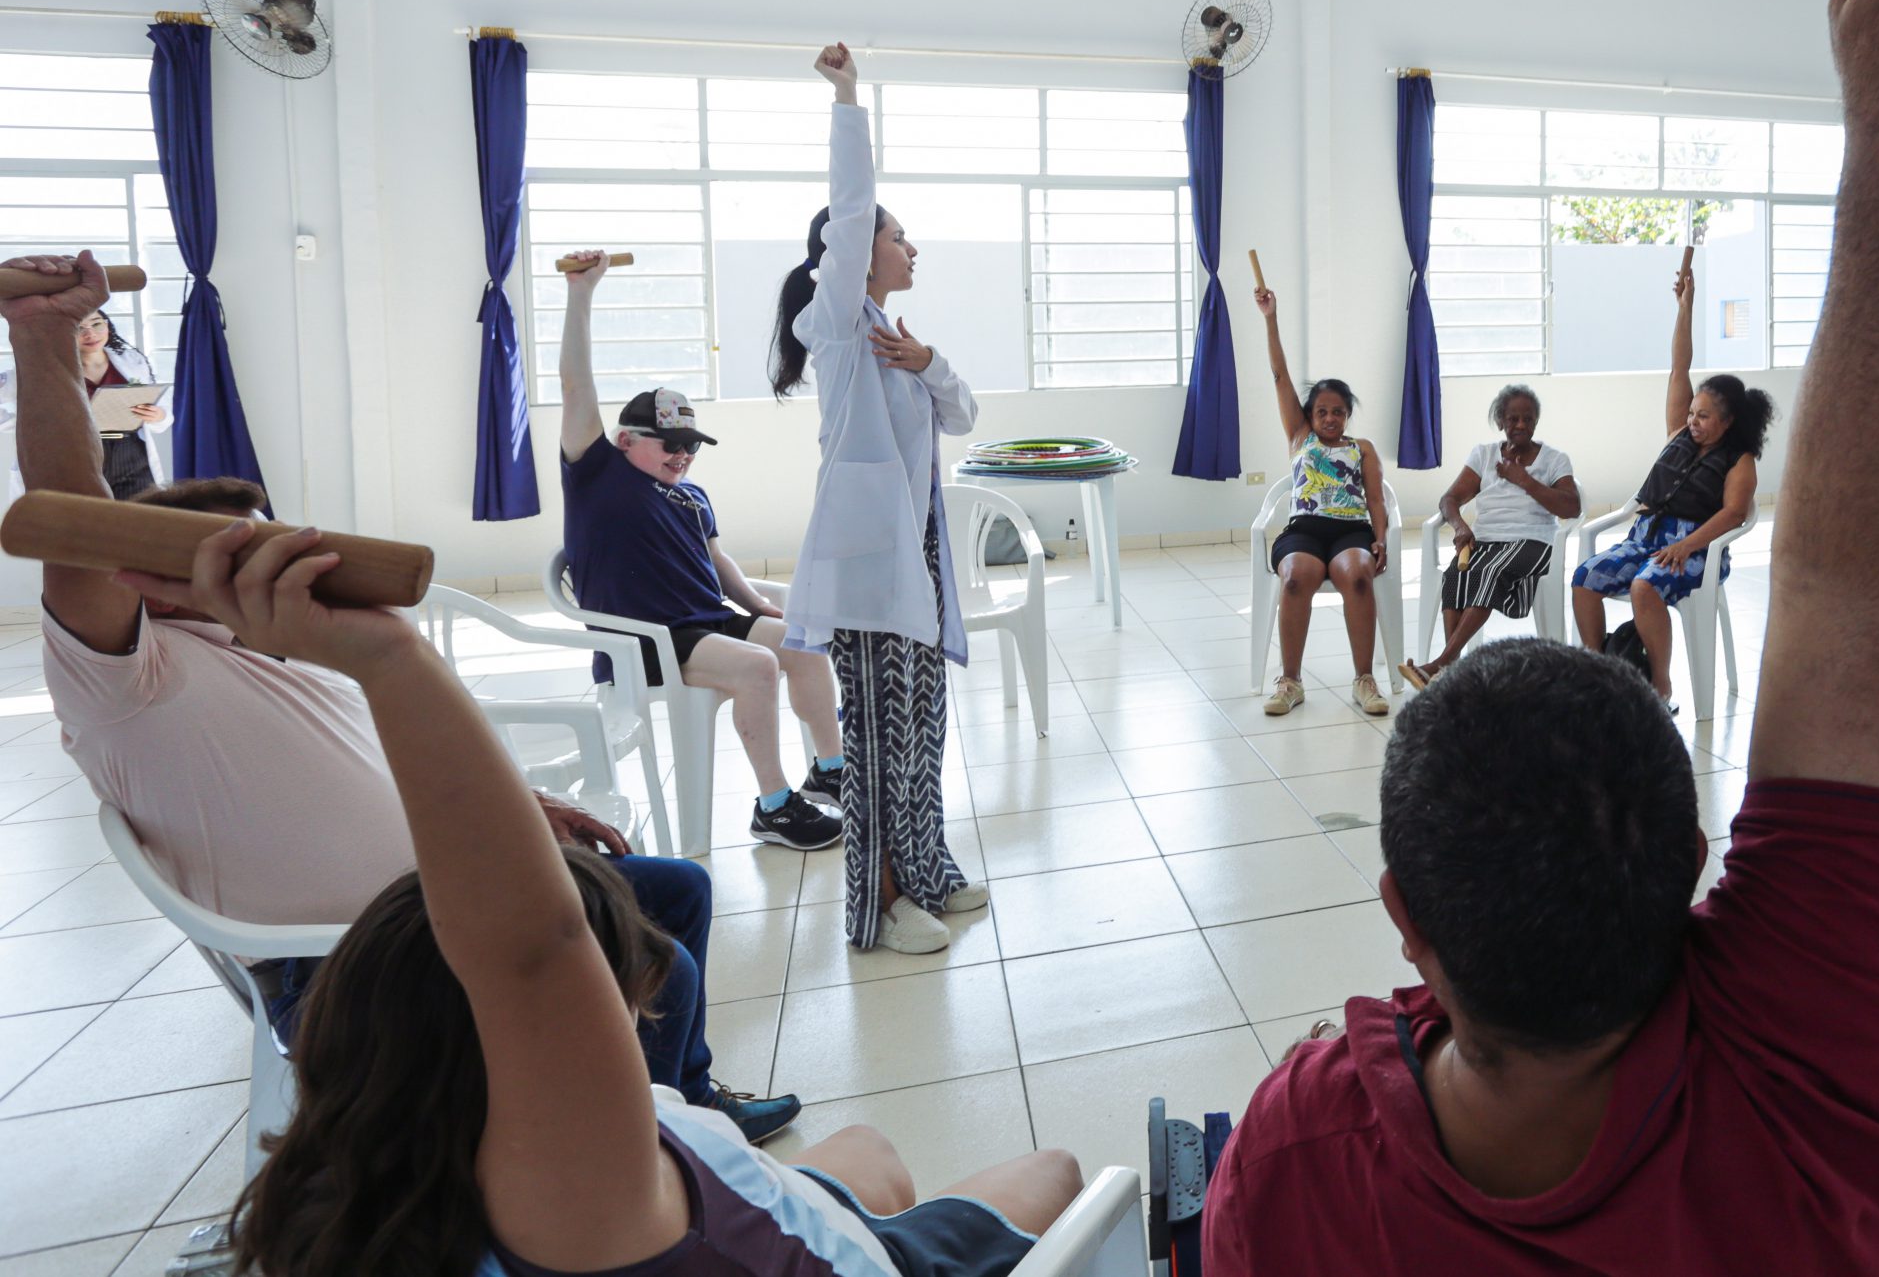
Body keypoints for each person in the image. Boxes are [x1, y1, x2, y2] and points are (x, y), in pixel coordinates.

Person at [1203, 0, 1879, 1272]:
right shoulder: (1816, 1078)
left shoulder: (1300, 1156)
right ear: (1695, 860)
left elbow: (1796, 562)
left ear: (1404, 922)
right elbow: (1852, 582)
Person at [1, 252, 800, 1145]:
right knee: (657, 960)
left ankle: (681, 1110)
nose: (272, 568)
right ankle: (618, 1155)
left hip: (430, 897)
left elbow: (381, 780)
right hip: (348, 962)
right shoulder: (130, 679)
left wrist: (520, 809)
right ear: (151, 575)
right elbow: (71, 520)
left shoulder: (281, 662)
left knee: (676, 891)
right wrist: (43, 336)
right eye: (238, 555)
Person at [137, 526, 1083, 1277]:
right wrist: (389, 658)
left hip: (747, 1206)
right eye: (614, 978)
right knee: (1058, 1172)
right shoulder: (587, 1198)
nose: (637, 994)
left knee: (866, 1150)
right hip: (839, 1260)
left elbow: (527, 960)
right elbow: (531, 948)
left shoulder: (405, 1186)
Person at [777, 44, 986, 954]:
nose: (912, 248)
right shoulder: (833, 326)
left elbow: (963, 413)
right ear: (860, 252)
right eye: (900, 237)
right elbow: (853, 205)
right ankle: (883, 901)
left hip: (920, 560)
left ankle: (928, 868)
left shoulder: (894, 341)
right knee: (874, 738)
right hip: (869, 568)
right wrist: (849, 101)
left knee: (922, 725)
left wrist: (928, 361)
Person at [557, 252, 847, 854]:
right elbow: (575, 385)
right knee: (758, 666)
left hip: (705, 623)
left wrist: (760, 608)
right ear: (625, 439)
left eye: (691, 446)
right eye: (670, 444)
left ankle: (830, 769)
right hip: (645, 639)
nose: (682, 456)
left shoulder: (690, 495)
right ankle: (774, 806)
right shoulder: (597, 475)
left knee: (803, 642)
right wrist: (581, 293)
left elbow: (719, 564)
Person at [1571, 263, 1773, 704]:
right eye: (1692, 413)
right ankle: (1599, 673)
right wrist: (1685, 307)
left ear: (1728, 421)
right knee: (1585, 578)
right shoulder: (1679, 433)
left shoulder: (1740, 460)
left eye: (1704, 416)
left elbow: (1734, 514)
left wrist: (1686, 546)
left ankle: (1659, 688)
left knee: (1644, 587)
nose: (1692, 421)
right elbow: (1679, 366)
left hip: (1696, 550)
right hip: (1645, 538)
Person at [1251, 277, 1395, 718]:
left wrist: (1381, 538)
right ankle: (1290, 681)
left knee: (1358, 577)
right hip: (1305, 532)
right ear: (1309, 415)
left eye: (1338, 412)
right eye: (1322, 412)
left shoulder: (1362, 448)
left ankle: (1364, 680)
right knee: (1295, 577)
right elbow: (1280, 375)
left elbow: (1376, 500)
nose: (1330, 418)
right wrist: (1271, 318)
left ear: (1347, 415)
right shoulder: (1300, 437)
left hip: (1351, 531)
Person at [1401, 384, 1580, 690]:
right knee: (1454, 576)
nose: (1521, 425)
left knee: (1489, 572)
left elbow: (1571, 507)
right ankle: (1454, 671)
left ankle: (1441, 664)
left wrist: (1524, 480)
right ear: (1500, 422)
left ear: (1536, 421)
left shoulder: (1554, 459)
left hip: (1534, 541)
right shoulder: (1483, 455)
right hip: (1486, 539)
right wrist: (1460, 526)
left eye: (1528, 419)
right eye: (1513, 419)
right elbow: (1449, 499)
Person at [0, 303, 168, 499]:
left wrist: (159, 415)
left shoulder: (133, 361)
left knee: (140, 512)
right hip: (73, 453)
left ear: (107, 325)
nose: (91, 334)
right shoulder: (40, 370)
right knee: (84, 514)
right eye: (79, 328)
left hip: (130, 454)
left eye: (96, 324)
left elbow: (162, 407)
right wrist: (23, 424)